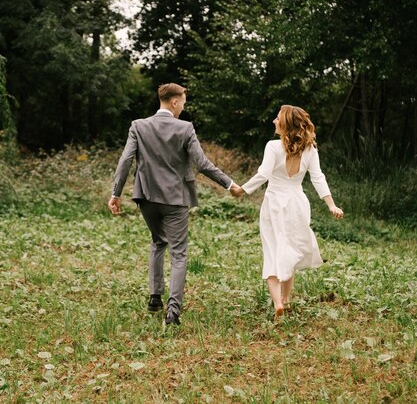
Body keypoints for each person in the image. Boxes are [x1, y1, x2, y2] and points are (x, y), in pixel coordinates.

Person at [108, 83, 241, 326]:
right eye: (183, 103)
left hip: (146, 197)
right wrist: (229, 183)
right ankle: (173, 312)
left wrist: (115, 193)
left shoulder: (138, 126)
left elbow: (125, 160)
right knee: (179, 253)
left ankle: (155, 297)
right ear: (175, 102)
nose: (183, 108)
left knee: (158, 242)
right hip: (176, 199)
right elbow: (201, 164)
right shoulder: (185, 128)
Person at [233, 104, 344, 321]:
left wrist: (243, 189)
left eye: (277, 118)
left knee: (273, 250)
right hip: (298, 204)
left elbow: (263, 173)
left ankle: (277, 303)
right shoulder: (310, 149)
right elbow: (318, 177)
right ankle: (286, 300)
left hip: (275, 203)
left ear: (285, 123)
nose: (274, 121)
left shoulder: (273, 146)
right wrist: (331, 205)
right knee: (289, 250)